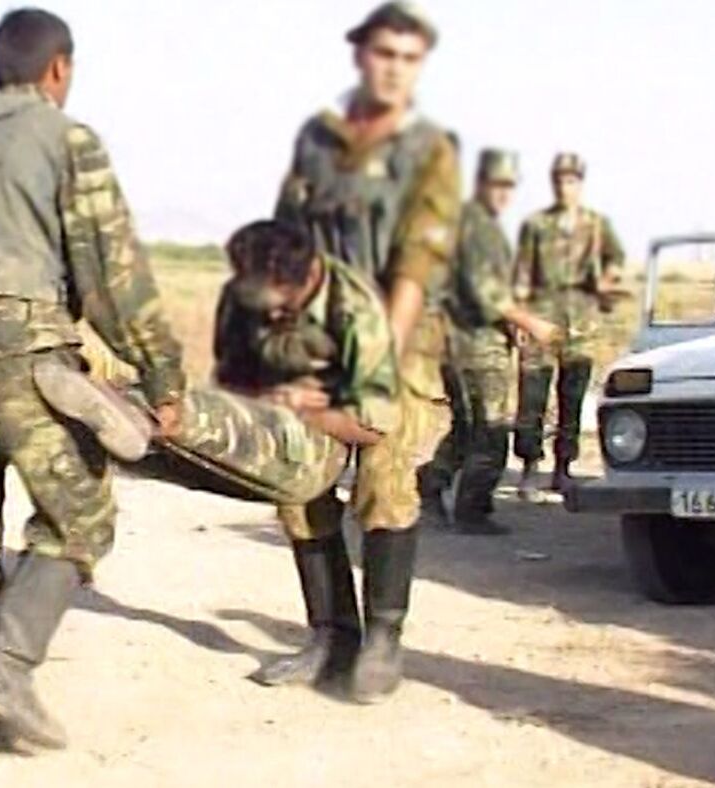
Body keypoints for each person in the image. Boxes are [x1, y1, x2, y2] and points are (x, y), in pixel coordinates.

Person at [0, 9, 189, 764]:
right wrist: (162, 373)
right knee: (80, 515)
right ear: (59, 68)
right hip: (21, 351)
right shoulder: (66, 137)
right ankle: (3, 672)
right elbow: (112, 272)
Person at [36, 219, 403, 687]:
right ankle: (333, 640)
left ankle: (383, 643)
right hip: (312, 399)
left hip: (393, 394)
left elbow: (371, 426)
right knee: (294, 492)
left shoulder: (360, 313)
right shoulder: (250, 299)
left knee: (387, 487)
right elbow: (242, 385)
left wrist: (298, 409)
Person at [270, 1, 460, 703]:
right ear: (361, 55)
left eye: (409, 59)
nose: (394, 69)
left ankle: (383, 638)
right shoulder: (316, 144)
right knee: (300, 481)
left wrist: (372, 366)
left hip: (398, 346)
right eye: (385, 54)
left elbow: (413, 271)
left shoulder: (430, 153)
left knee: (385, 476)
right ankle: (330, 635)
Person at [420, 149, 563, 533]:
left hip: (476, 343)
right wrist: (530, 322)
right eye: (497, 184)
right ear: (481, 183)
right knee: (491, 430)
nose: (503, 193)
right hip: (475, 348)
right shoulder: (476, 228)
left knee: (469, 429)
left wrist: (512, 324)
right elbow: (486, 293)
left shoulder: (481, 226)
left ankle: (431, 486)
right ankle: (471, 509)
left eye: (509, 186)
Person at [511, 152, 626, 497]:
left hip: (581, 323)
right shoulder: (536, 225)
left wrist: (607, 280)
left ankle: (564, 467)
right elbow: (522, 273)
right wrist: (520, 318)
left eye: (571, 181)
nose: (565, 187)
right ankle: (529, 466)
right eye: (560, 181)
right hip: (542, 318)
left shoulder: (596, 225)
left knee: (572, 398)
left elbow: (615, 258)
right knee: (532, 397)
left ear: (580, 184)